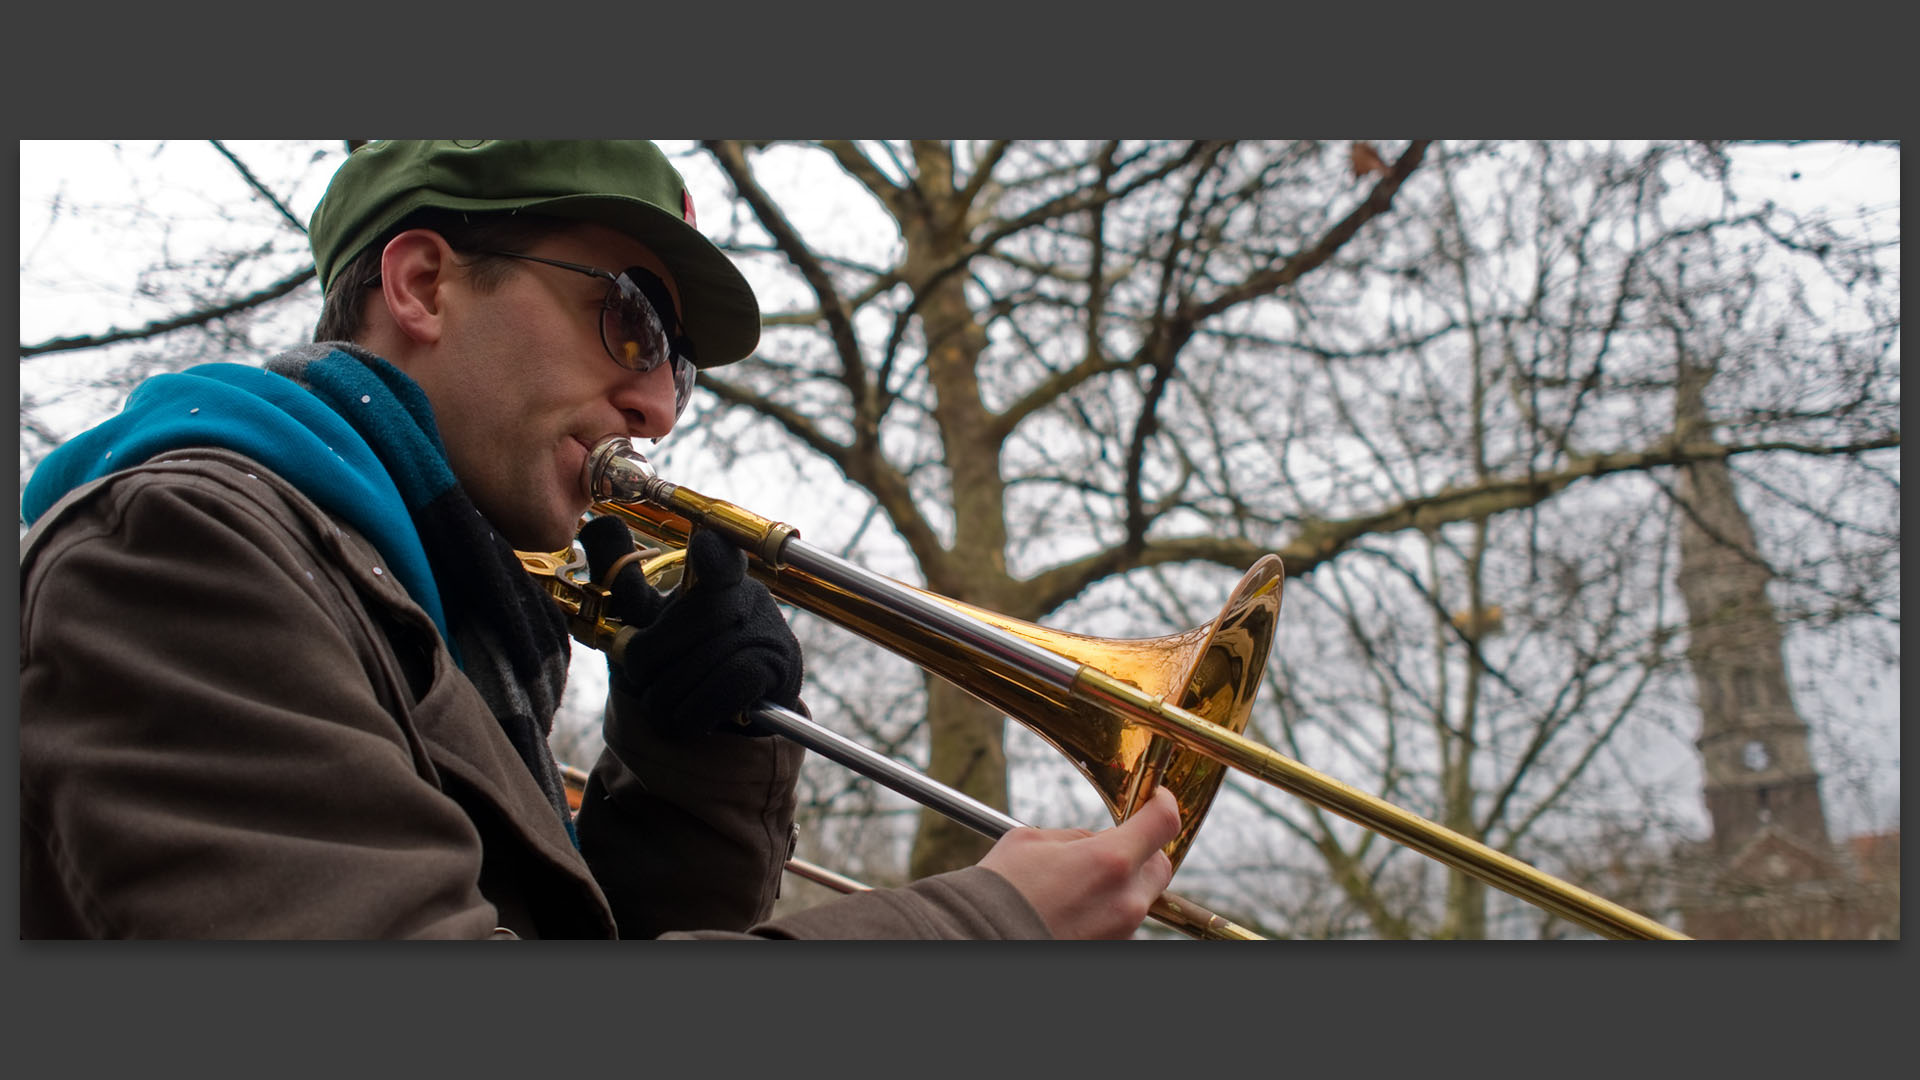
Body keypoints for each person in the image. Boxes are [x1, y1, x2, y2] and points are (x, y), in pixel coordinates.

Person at [19, 139, 1182, 939]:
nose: (661, 404)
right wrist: (982, 929)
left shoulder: (451, 617)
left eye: (673, 362)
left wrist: (689, 773)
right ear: (423, 284)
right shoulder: (179, 550)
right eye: (627, 318)